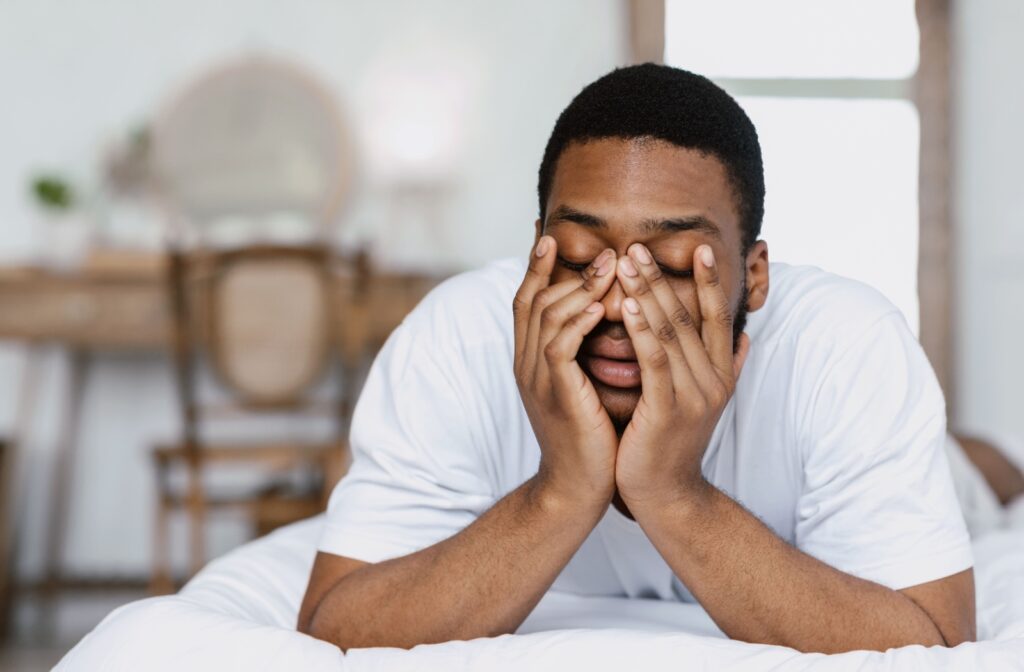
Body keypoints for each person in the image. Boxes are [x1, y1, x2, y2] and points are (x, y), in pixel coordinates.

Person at [298, 64, 976, 654]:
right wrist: (561, 490)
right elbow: (333, 624)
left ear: (756, 274)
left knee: (972, 471)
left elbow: (936, 642)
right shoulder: (457, 339)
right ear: (536, 248)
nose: (622, 305)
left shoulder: (846, 348)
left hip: (915, 460)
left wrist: (675, 493)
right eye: (581, 258)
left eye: (674, 265)